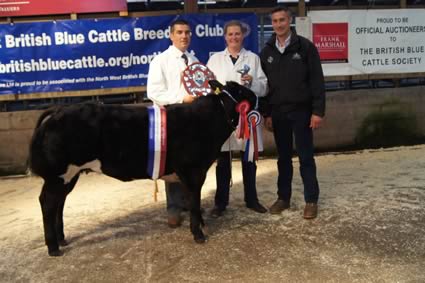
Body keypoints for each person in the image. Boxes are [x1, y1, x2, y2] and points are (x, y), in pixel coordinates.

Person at [259, 6, 326, 219]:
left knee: (306, 157)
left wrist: (317, 112)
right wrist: (267, 113)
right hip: (278, 113)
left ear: (290, 21)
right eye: (275, 21)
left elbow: (317, 81)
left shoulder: (305, 47)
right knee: (283, 158)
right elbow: (265, 87)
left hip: (302, 112)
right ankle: (283, 198)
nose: (278, 24)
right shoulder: (267, 51)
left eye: (282, 20)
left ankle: (311, 200)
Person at [207, 20, 268, 218]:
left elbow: (264, 87)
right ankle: (221, 202)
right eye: (230, 34)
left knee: (249, 160)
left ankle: (252, 200)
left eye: (237, 34)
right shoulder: (215, 60)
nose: (234, 37)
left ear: (243, 36)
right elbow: (208, 86)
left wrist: (254, 82)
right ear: (225, 37)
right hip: (223, 119)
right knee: (223, 161)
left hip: (246, 118)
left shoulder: (253, 59)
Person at [147, 19, 198, 228]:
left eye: (187, 32)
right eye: (179, 32)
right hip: (171, 119)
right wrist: (181, 98)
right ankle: (174, 208)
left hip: (192, 121)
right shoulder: (160, 61)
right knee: (174, 164)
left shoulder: (194, 60)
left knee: (191, 163)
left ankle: (189, 203)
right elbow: (154, 93)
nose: (183, 36)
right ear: (171, 35)